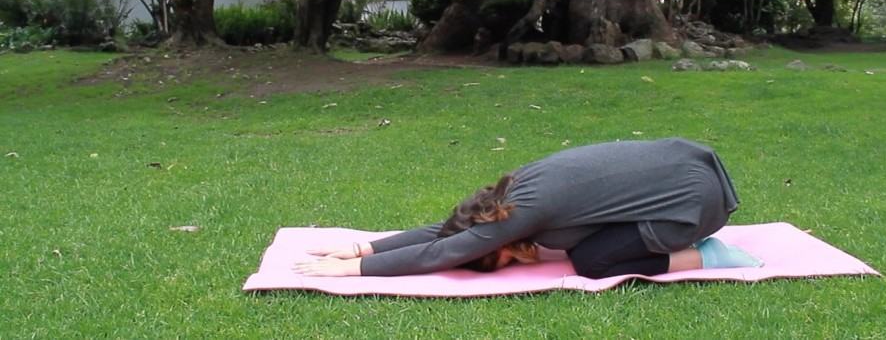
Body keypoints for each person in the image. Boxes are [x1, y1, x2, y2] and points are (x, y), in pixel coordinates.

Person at [294, 137, 763, 278]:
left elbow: (441, 253)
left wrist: (352, 273)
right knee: (593, 244)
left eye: (497, 259)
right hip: (686, 165)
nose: (512, 259)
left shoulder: (523, 213)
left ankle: (708, 254)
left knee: (593, 261)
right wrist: (362, 248)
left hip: (691, 203)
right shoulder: (511, 190)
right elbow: (443, 233)